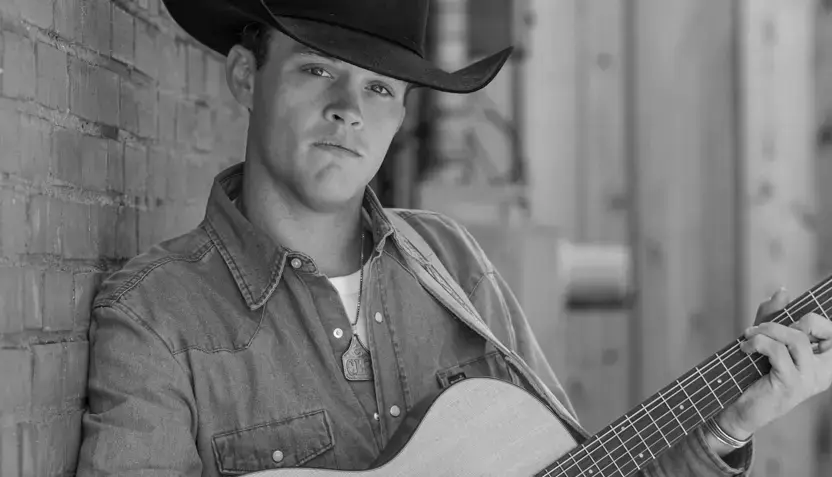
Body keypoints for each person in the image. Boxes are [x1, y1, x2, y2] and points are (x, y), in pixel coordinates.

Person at [76, 0, 832, 475]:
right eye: (318, 70)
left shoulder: (450, 263)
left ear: (401, 115)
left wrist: (725, 429)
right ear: (247, 76)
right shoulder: (156, 316)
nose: (350, 109)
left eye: (379, 87)